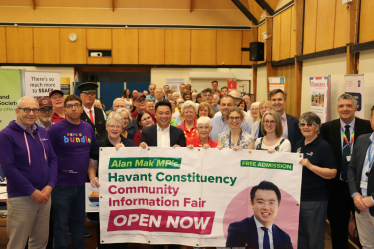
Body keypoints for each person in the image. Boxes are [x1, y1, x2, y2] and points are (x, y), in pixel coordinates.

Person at [0, 96, 57, 249]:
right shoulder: (6, 135)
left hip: (45, 197)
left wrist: (50, 186)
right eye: (27, 109)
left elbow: (52, 159)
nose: (31, 113)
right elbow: (8, 168)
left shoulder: (42, 132)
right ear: (17, 111)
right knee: (17, 244)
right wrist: (32, 191)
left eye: (34, 110)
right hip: (21, 197)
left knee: (40, 242)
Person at [320, 93, 372, 249]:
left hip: (361, 190)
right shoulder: (327, 128)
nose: (345, 109)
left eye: (349, 105)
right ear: (337, 108)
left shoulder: (367, 126)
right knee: (338, 231)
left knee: (366, 232)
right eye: (341, 106)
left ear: (356, 107)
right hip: (337, 188)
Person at [48, 95, 97, 249]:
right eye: (70, 106)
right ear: (65, 109)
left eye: (77, 105)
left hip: (82, 186)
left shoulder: (87, 128)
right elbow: (48, 156)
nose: (74, 108)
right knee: (61, 226)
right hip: (61, 186)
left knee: (79, 226)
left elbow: (93, 154)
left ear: (82, 108)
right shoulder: (55, 129)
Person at [88, 112, 134, 249]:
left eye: (118, 126)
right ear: (106, 127)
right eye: (112, 126)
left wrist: (126, 153)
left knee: (122, 226)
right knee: (104, 225)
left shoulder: (130, 144)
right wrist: (92, 176)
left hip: (124, 194)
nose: (115, 129)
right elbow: (91, 166)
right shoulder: (98, 145)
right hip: (105, 193)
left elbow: (136, 170)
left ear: (122, 128)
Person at [293, 112, 337, 249]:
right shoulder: (298, 144)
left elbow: (332, 173)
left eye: (309, 124)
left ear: (317, 127)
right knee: (300, 236)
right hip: (297, 199)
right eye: (303, 124)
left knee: (315, 238)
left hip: (315, 200)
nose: (305, 127)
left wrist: (311, 166)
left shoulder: (324, 147)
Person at [226, 181, 292, 249]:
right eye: (260, 202)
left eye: (271, 203)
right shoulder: (237, 229)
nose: (266, 208)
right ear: (252, 204)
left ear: (278, 206)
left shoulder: (284, 237)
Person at [347, 106, 374, 249]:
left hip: (371, 202)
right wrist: (355, 194)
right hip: (360, 205)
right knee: (366, 245)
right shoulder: (362, 140)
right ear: (371, 120)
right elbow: (351, 169)